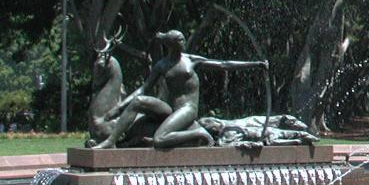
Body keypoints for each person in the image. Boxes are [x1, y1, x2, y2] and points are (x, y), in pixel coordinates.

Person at [95, 30, 267, 149]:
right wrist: (119, 107)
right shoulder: (162, 65)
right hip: (168, 108)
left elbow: (223, 64)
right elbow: (143, 89)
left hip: (187, 109)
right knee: (139, 101)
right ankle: (111, 141)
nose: (183, 42)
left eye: (183, 40)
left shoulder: (190, 60)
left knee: (160, 139)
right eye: (180, 40)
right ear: (171, 44)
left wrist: (255, 64)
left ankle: (197, 133)